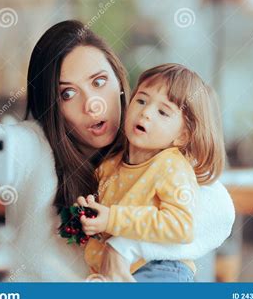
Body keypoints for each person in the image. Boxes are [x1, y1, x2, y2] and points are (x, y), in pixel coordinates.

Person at [0, 20, 234, 282]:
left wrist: (124, 244)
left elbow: (218, 212)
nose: (91, 105)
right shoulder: (31, 150)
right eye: (68, 94)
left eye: (99, 82)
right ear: (52, 106)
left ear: (121, 82)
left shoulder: (159, 152)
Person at [78, 63, 226, 282]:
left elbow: (180, 226)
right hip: (115, 270)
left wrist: (112, 218)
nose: (146, 112)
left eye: (163, 112)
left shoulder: (172, 167)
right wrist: (89, 212)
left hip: (162, 268)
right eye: (141, 100)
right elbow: (107, 220)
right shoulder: (109, 166)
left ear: (183, 136)